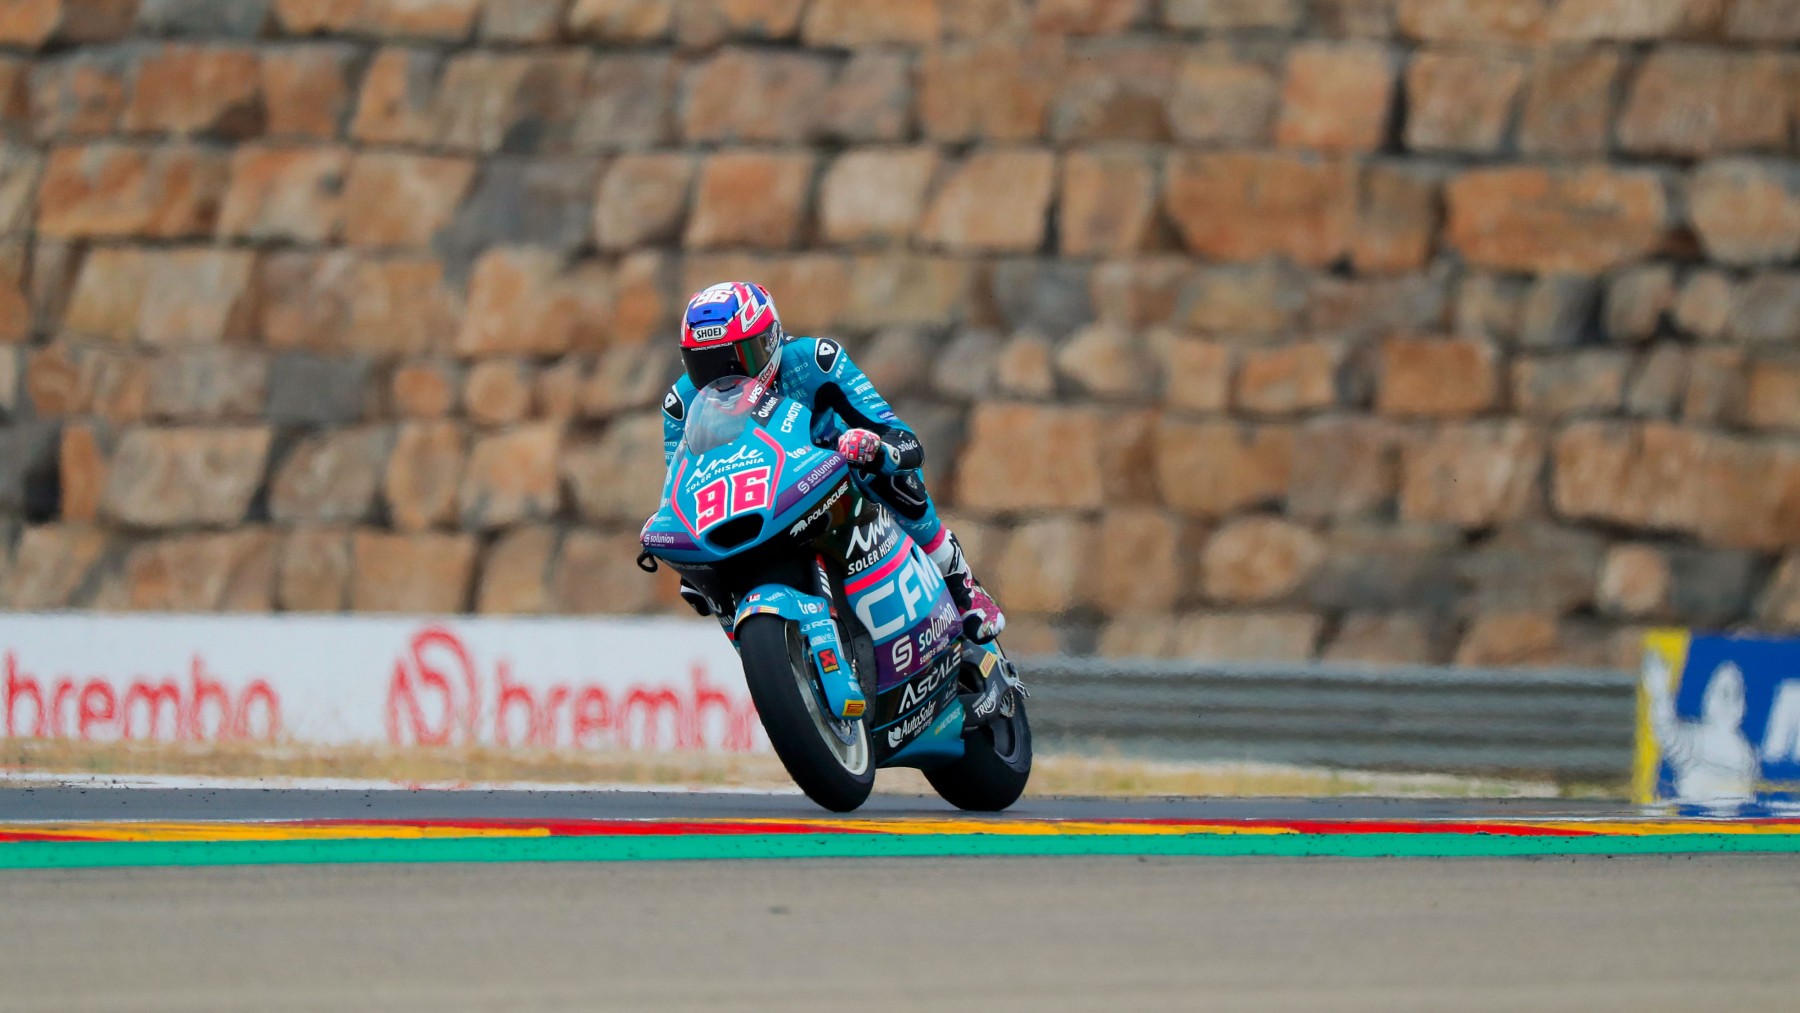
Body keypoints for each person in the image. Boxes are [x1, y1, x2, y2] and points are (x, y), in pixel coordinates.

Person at [660, 281, 1006, 644]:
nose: (725, 377)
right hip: (749, 499)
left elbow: (901, 438)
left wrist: (876, 449)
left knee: (880, 466)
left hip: (828, 473)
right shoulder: (681, 404)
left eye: (737, 359)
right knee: (695, 571)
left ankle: (958, 578)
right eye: (706, 365)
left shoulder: (814, 360)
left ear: (770, 339)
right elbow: (681, 483)